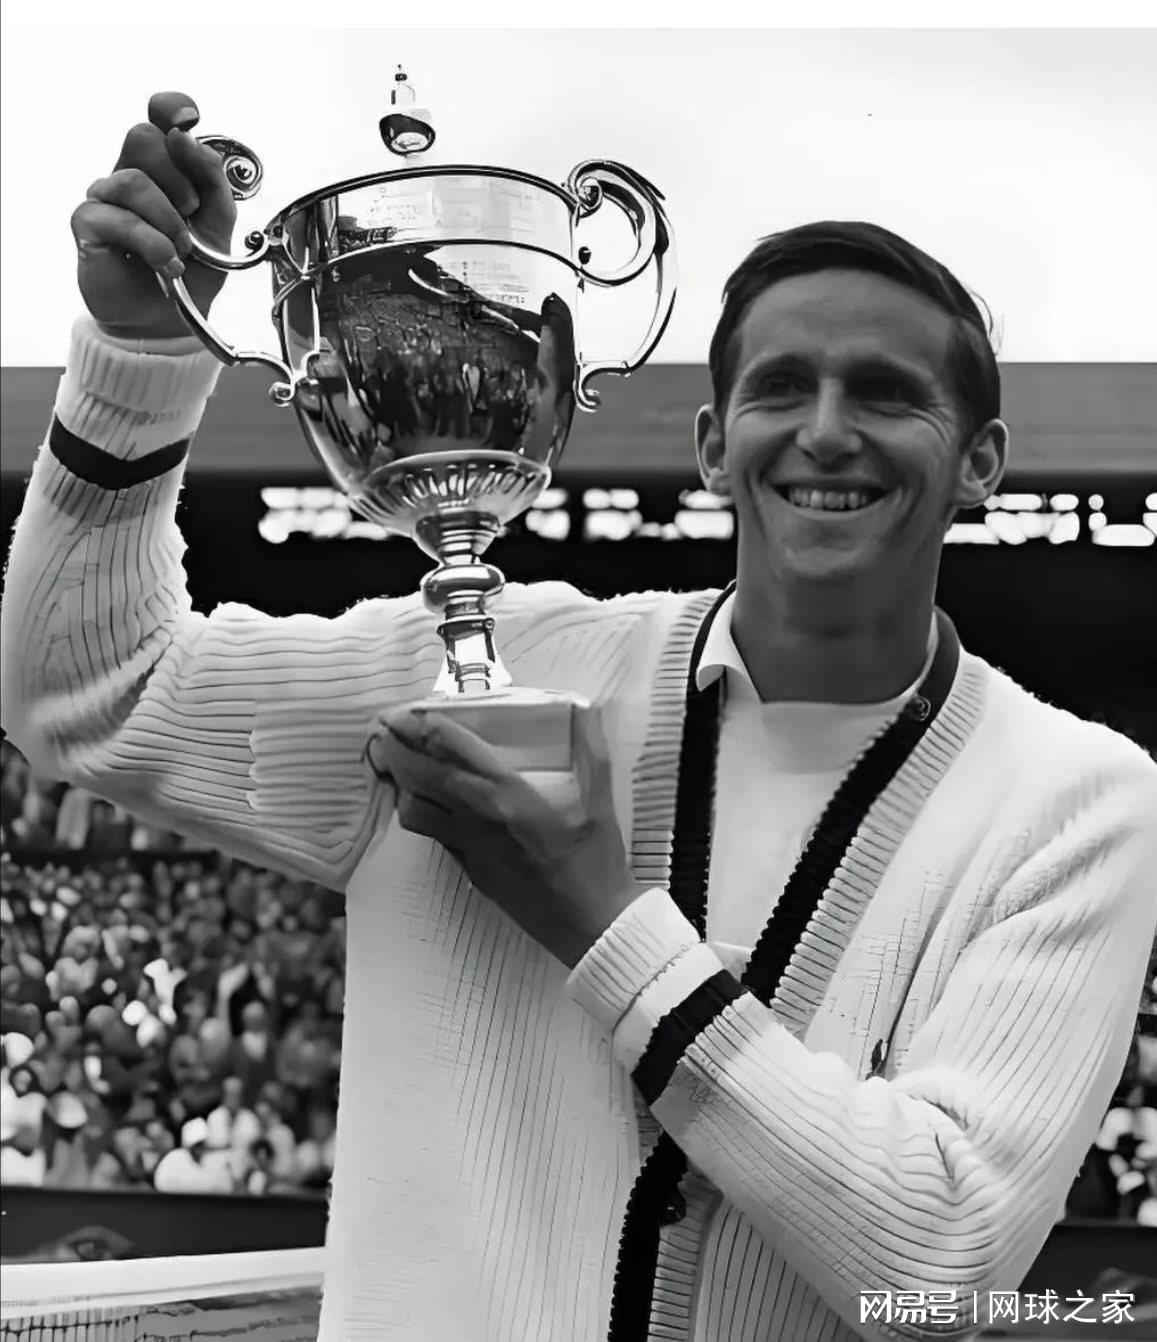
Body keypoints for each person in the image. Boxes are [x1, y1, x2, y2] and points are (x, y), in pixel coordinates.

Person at [1, 89, 1155, 1342]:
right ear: (712, 445)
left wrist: (598, 919)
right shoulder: (487, 660)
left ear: (979, 460)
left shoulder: (1078, 800)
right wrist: (135, 360)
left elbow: (938, 1264)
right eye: (782, 388)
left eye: (884, 394)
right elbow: (90, 692)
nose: (825, 432)